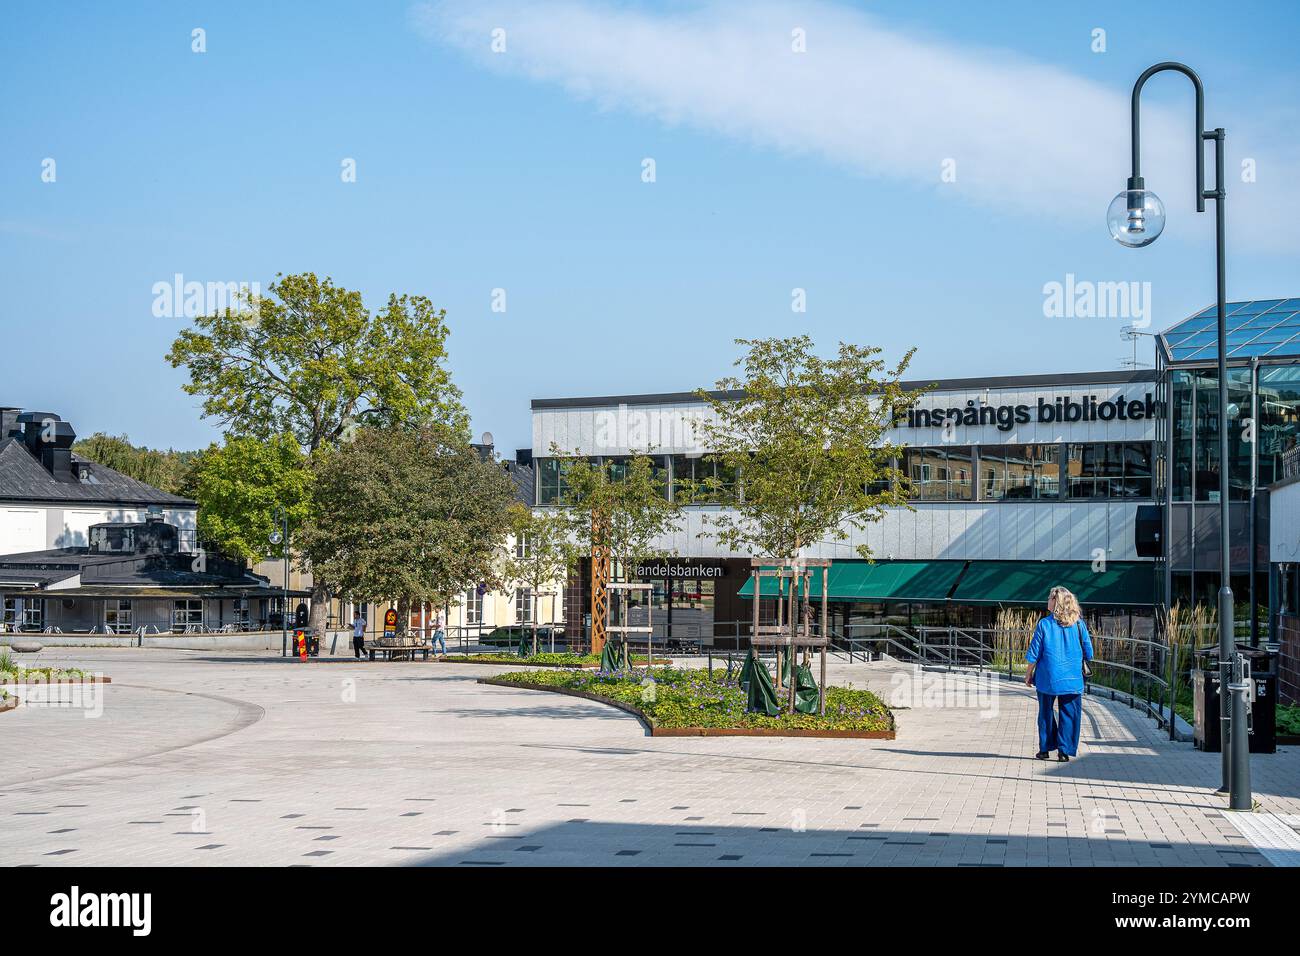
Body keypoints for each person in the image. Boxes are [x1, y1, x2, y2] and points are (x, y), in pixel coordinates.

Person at [1024, 586, 1093, 762]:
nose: (1047, 600)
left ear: (1056, 601)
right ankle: (1064, 751)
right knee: (1069, 713)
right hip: (1072, 678)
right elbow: (1089, 653)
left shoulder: (1044, 624)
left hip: (1048, 678)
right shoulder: (1078, 624)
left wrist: (1028, 674)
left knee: (1045, 713)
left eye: (1049, 597)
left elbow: (1034, 653)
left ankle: (1045, 749)